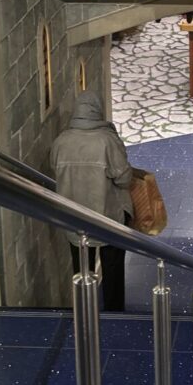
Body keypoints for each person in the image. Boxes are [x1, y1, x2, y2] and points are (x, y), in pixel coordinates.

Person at [52, 89, 142, 311]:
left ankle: (84, 311)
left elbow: (55, 170)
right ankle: (113, 313)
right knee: (113, 269)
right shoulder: (106, 141)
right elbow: (124, 179)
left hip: (74, 220)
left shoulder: (61, 141)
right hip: (108, 217)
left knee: (82, 269)